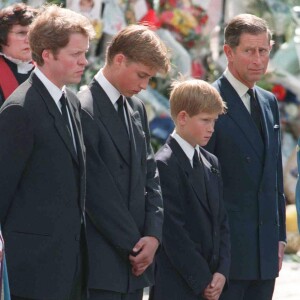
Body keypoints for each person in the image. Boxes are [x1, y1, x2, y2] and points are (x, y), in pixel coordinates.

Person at [0, 5, 95, 300]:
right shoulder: (20, 109)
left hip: (70, 265)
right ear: (47, 54)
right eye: (75, 54)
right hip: (33, 269)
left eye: (85, 53)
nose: (84, 61)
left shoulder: (72, 102)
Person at [78, 24, 170, 300]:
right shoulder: (83, 107)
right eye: (141, 75)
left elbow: (150, 174)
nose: (144, 86)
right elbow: (96, 194)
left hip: (138, 260)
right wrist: (135, 247)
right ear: (119, 59)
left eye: (149, 79)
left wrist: (153, 236)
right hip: (103, 262)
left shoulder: (136, 107)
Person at [205, 14, 286, 300]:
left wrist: (280, 238)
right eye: (249, 51)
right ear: (229, 52)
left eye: (263, 51)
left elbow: (273, 174)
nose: (258, 59)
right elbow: (201, 185)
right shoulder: (209, 99)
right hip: (227, 257)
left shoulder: (268, 101)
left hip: (265, 254)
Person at [149, 79, 230, 300]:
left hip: (212, 283)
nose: (211, 128)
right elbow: (174, 233)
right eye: (205, 120)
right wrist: (203, 280)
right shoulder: (164, 163)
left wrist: (222, 271)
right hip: (177, 285)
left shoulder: (211, 161)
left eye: (214, 121)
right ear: (183, 117)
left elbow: (221, 221)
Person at [0, 3, 37, 105]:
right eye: (21, 33)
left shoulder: (45, 72)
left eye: (32, 33)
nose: (29, 40)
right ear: (3, 37)